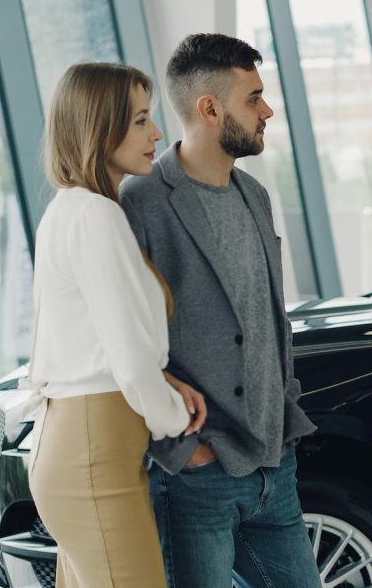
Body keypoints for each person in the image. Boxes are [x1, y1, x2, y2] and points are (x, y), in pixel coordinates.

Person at [119, 33, 320, 588]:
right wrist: (189, 452)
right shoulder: (141, 204)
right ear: (209, 108)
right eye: (252, 98)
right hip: (197, 476)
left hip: (273, 467)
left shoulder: (254, 195)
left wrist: (283, 418)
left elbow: (267, 322)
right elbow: (123, 338)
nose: (267, 110)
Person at [28, 62, 208, 587]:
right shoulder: (96, 217)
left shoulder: (71, 211)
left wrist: (166, 381)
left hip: (78, 443)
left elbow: (94, 344)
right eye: (139, 120)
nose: (156, 133)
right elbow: (127, 365)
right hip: (94, 451)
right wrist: (177, 422)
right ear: (96, 127)